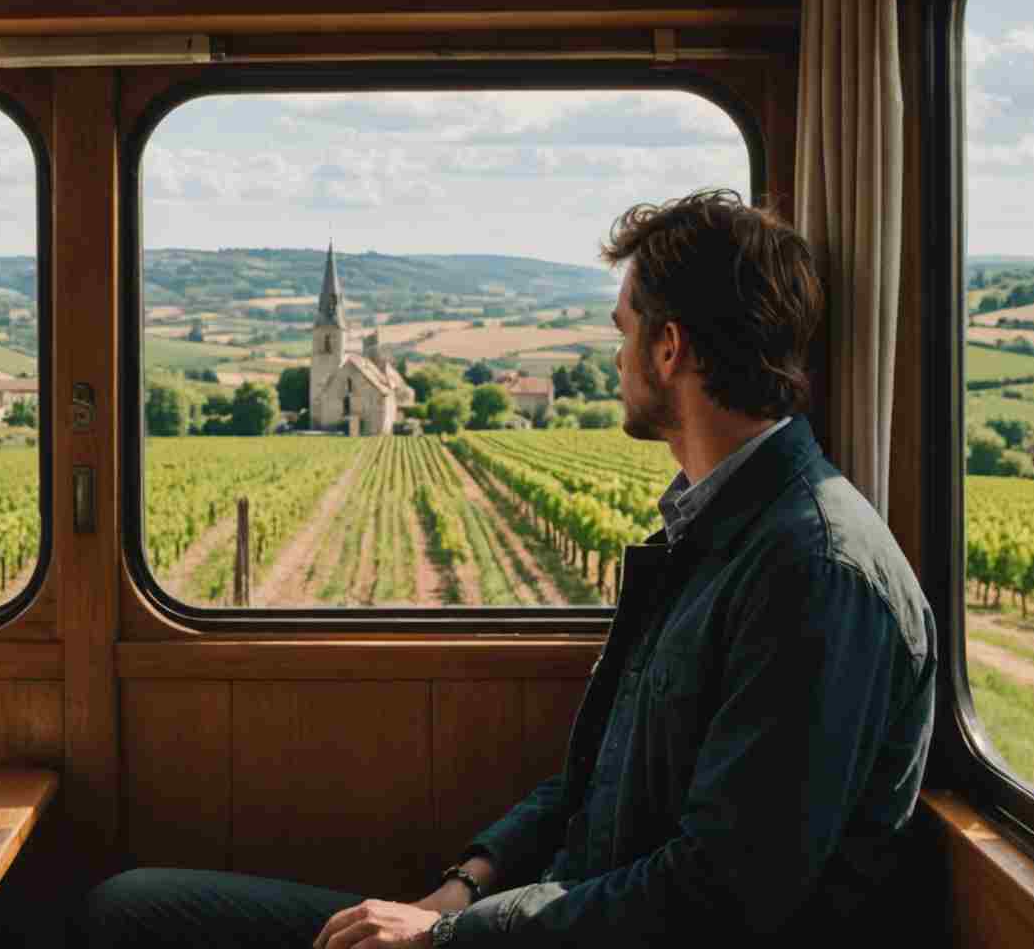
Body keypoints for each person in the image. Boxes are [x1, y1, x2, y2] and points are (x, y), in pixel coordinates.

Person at [86, 189, 936, 948]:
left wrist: (449, 935)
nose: (613, 361)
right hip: (535, 916)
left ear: (670, 349)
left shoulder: (813, 572)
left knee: (134, 919)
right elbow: (592, 782)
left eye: (622, 334)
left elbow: (722, 896)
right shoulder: (723, 530)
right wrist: (467, 881)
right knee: (133, 909)